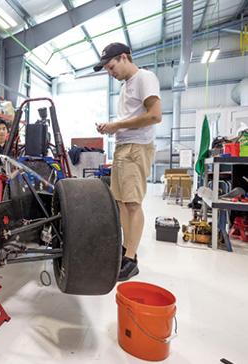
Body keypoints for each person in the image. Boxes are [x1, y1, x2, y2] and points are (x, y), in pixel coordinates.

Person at [94, 42, 162, 281]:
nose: (110, 73)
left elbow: (155, 115)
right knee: (122, 202)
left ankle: (131, 259)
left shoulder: (144, 77)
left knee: (133, 204)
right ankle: (126, 249)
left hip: (136, 147)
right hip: (124, 147)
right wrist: (111, 127)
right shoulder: (126, 87)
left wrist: (117, 125)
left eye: (111, 67)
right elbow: (131, 116)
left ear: (124, 57)